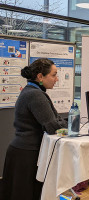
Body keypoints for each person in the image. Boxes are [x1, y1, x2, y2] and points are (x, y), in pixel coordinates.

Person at [1, 58, 67, 200]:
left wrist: (62, 122)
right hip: (26, 154)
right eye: (54, 75)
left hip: (24, 151)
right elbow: (53, 127)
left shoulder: (34, 91)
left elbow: (55, 121)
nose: (57, 79)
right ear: (40, 77)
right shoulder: (35, 95)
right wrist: (67, 124)